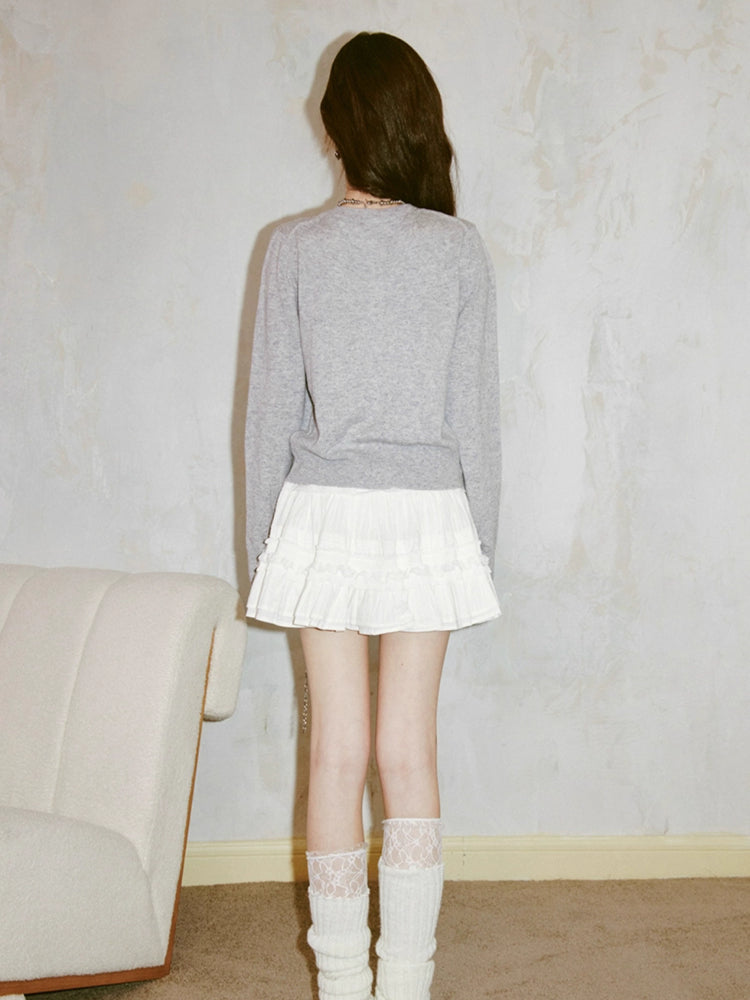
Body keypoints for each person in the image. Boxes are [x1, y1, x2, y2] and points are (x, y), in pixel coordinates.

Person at [244, 31, 501, 1000]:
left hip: (321, 516)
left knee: (337, 753)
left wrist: (265, 548)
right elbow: (478, 419)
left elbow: (269, 415)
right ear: (420, 125)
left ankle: (343, 983)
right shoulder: (458, 250)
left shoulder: (294, 248)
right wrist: (478, 548)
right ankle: (406, 984)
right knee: (407, 751)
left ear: (334, 128)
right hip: (430, 515)